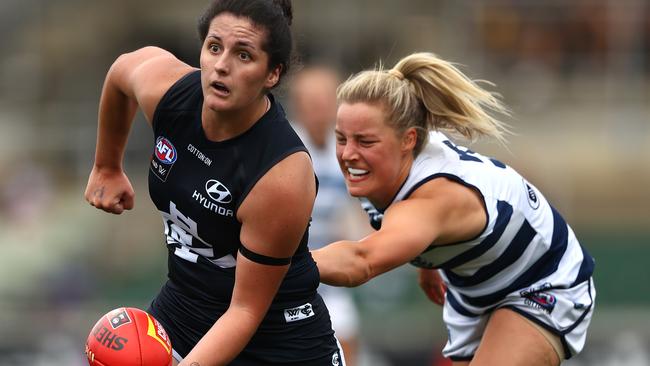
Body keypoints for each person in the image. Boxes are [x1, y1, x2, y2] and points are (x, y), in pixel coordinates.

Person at [84, 1, 345, 365]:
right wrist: (106, 166)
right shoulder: (168, 92)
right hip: (183, 312)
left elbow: (244, 312)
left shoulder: (281, 174)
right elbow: (121, 72)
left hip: (277, 346)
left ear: (272, 74)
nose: (222, 65)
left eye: (243, 55)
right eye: (214, 47)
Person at [311, 52, 596, 366]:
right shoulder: (393, 159)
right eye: (341, 138)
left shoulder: (433, 197)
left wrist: (269, 266)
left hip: (541, 283)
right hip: (473, 290)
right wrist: (428, 262)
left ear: (408, 140)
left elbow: (361, 261)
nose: (349, 154)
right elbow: (420, 224)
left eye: (365, 141)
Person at [289, 66, 365, 366]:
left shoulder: (347, 151)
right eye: (312, 103)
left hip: (327, 269)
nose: (319, 111)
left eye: (325, 102)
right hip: (286, 267)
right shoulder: (286, 147)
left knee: (346, 338)